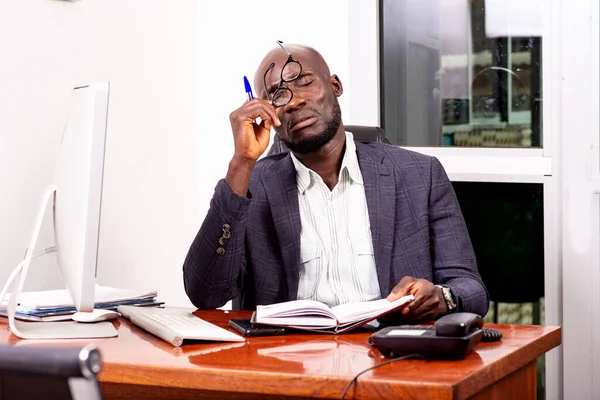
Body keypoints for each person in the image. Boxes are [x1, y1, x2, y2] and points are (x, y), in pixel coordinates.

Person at [183, 41, 489, 322]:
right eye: (277, 95)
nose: (293, 103)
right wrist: (242, 162)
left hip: (393, 355)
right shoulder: (252, 185)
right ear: (266, 112)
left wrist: (443, 296)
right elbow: (205, 294)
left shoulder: (419, 175)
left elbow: (471, 288)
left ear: (335, 86)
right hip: (289, 361)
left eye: (304, 82)